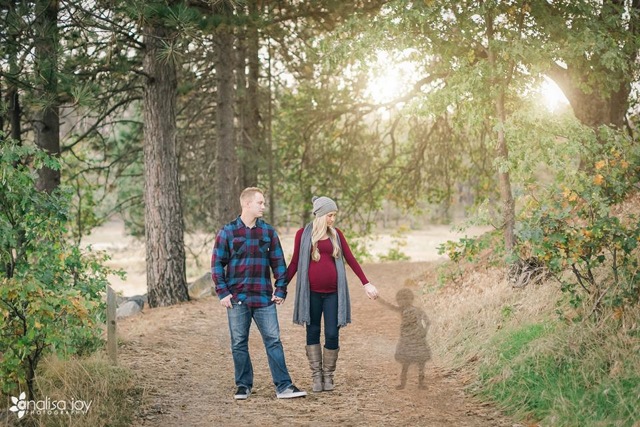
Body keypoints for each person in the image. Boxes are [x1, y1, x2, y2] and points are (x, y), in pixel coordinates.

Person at [211, 187, 306, 400]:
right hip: (238, 299)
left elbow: (278, 263)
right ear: (246, 204)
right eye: (260, 203)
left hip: (264, 298)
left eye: (263, 203)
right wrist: (223, 292)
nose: (264, 206)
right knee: (238, 342)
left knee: (273, 340)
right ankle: (243, 386)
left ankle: (284, 386)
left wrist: (280, 289)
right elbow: (217, 264)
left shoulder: (268, 232)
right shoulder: (227, 232)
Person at [287, 196, 379, 392]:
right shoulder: (302, 235)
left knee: (331, 333)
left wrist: (366, 283)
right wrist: (281, 286)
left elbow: (351, 259)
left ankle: (328, 375)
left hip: (333, 294)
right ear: (320, 215)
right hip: (310, 294)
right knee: (312, 331)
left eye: (334, 215)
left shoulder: (336, 235)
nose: (333, 219)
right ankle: (316, 376)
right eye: (330, 215)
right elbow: (295, 263)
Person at [378, 288, 431, 390]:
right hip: (409, 340)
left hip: (414, 340)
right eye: (400, 300)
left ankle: (418, 383)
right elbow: (389, 306)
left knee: (418, 363)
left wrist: (424, 332)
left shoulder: (413, 310)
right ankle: (406, 384)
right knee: (407, 364)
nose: (402, 302)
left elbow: (428, 322)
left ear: (411, 299)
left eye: (404, 299)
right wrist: (378, 299)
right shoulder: (409, 310)